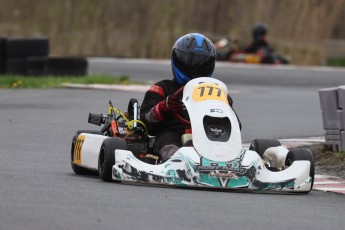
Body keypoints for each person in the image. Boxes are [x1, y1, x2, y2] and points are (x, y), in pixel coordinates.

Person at [140, 33, 240, 162]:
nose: (195, 67)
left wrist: (228, 107)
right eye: (189, 61)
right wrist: (164, 107)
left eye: (201, 63)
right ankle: (177, 162)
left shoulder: (214, 90)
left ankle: (227, 159)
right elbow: (143, 122)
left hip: (209, 135)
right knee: (169, 140)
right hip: (172, 134)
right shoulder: (162, 88)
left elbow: (237, 127)